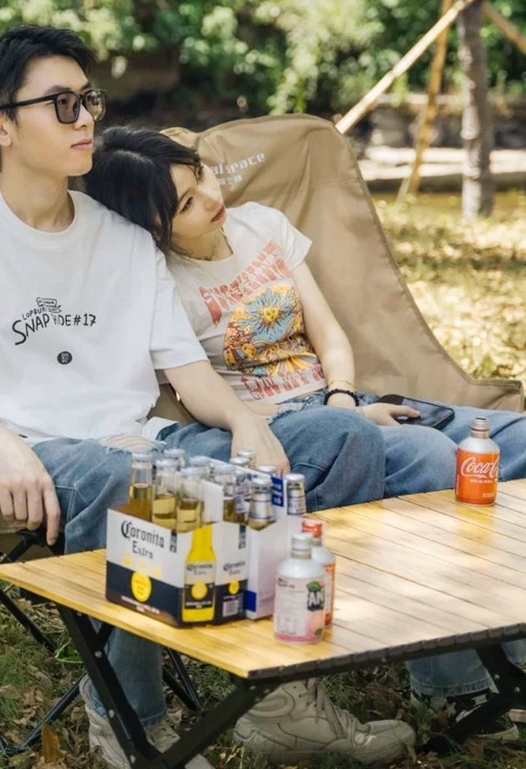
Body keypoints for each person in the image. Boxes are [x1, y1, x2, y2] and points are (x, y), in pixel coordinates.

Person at [0, 25, 416, 769]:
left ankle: (284, 699)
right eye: (61, 105)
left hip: (152, 441)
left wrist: (244, 422)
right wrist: (1, 442)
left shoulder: (122, 237)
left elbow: (187, 373)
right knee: (141, 486)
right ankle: (133, 728)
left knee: (341, 439)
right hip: (33, 461)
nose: (86, 120)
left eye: (87, 100)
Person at [82, 125, 526, 744]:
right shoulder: (158, 278)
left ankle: (512, 652)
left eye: (201, 176)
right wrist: (340, 419)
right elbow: (195, 392)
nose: (210, 198)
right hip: (283, 429)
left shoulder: (262, 224)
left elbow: (327, 331)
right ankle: (455, 689)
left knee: (517, 440)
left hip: (345, 403)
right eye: (185, 204)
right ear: (154, 227)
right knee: (432, 456)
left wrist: (345, 398)